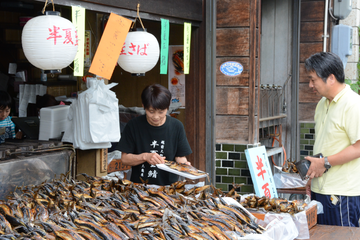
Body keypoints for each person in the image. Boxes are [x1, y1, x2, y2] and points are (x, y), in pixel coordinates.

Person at [304, 52, 360, 227]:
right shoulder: (322, 103)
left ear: (331, 78)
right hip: (320, 189)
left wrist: (325, 162)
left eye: (313, 80)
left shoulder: (353, 104)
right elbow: (325, 143)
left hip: (342, 192)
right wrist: (313, 177)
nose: (310, 85)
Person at [118, 83, 192, 186]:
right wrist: (145, 156)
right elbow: (125, 159)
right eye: (151, 111)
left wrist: (184, 165)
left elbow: (180, 157)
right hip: (139, 188)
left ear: (167, 107)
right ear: (143, 106)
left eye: (161, 112)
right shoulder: (133, 125)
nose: (156, 117)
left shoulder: (176, 126)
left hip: (169, 188)